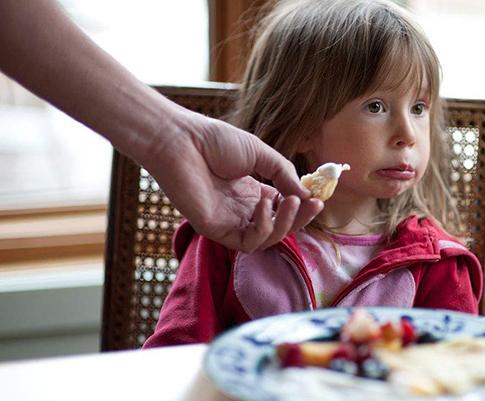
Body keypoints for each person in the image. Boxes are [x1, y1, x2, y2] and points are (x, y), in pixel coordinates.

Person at [143, 0, 483, 348]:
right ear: (302, 126)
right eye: (376, 106)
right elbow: (174, 358)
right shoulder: (231, 238)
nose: (407, 134)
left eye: (418, 107)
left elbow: (457, 373)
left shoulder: (438, 263)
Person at [0, 0, 322, 252]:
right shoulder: (230, 249)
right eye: (372, 107)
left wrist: (170, 138)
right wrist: (169, 138)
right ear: (305, 128)